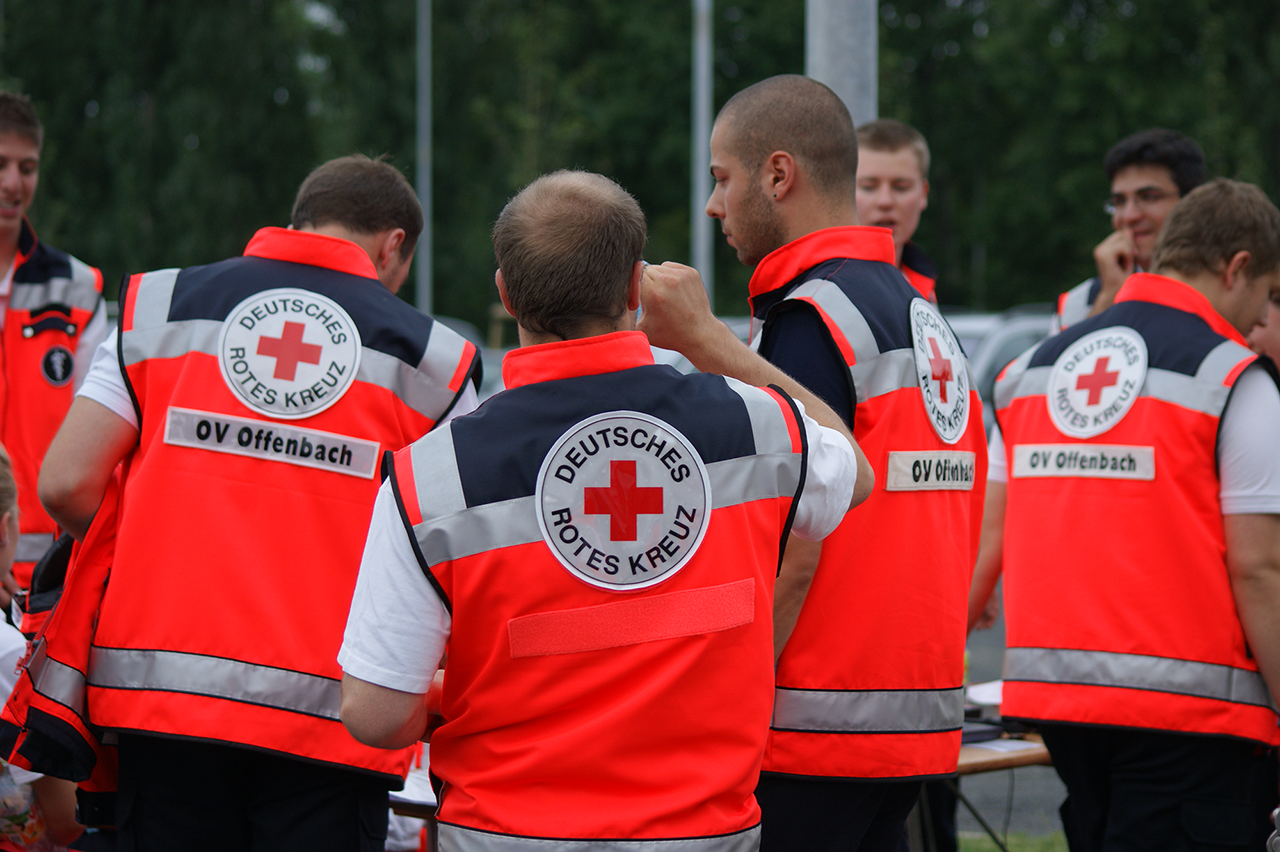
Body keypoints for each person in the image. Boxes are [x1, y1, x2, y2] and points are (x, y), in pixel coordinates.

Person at [338, 169, 873, 851]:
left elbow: (375, 716)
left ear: (505, 294)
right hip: (705, 836)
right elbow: (854, 474)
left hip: (508, 835)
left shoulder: (432, 473)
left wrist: (460, 689)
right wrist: (709, 340)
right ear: (634, 290)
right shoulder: (756, 425)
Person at [35, 155, 481, 852]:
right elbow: (457, 550)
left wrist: (153, 539)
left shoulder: (159, 307)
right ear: (393, 244)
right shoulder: (435, 362)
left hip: (162, 701)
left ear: (302, 218)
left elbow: (65, 482)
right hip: (332, 721)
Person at [704, 74, 987, 852]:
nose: (714, 206)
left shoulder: (812, 316)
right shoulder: (915, 310)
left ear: (778, 175)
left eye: (723, 178)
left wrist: (725, 701)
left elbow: (799, 542)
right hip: (909, 717)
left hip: (812, 722)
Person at [994, 178, 1280, 848]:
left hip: (1058, 703)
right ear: (1236, 268)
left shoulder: (1032, 368)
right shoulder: (1233, 377)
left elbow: (990, 527)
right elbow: (1260, 570)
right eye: (1268, 293)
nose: (1260, 319)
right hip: (1192, 714)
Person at [0, 92, 106, 594]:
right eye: (0, 165)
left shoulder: (77, 288)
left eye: (27, 168)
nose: (13, 183)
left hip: (45, 580)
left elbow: (97, 434)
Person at [1052, 128, 1206, 331]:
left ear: (1192, 201)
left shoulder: (1231, 289)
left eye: (1148, 197)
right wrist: (1109, 298)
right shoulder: (1078, 304)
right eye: (1119, 201)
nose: (1129, 216)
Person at [856, 118, 937, 304]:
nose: (885, 201)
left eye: (901, 187)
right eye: (868, 187)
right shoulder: (824, 284)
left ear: (924, 194)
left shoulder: (924, 282)